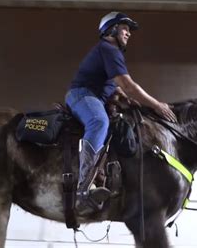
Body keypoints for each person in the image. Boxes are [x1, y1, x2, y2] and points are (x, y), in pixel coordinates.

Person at [65, 11, 176, 213]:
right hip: (82, 95)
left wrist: (126, 99)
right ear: (112, 29)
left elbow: (115, 86)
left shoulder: (110, 53)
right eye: (125, 28)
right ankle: (82, 188)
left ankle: (102, 176)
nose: (128, 33)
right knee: (99, 122)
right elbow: (128, 84)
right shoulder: (108, 49)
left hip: (96, 96)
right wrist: (156, 105)